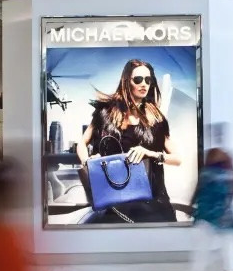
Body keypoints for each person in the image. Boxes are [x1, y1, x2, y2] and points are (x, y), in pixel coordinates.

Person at [76, 58, 181, 224]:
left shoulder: (156, 119)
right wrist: (88, 162)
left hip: (154, 204)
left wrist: (150, 153)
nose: (144, 84)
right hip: (114, 204)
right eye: (138, 79)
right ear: (126, 81)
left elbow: (177, 158)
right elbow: (82, 143)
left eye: (148, 80)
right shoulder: (105, 113)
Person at [186, 148, 233, 271]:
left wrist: (192, 205)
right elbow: (230, 195)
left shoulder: (213, 174)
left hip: (216, 218)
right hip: (216, 218)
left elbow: (198, 192)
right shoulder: (213, 174)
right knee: (224, 255)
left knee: (222, 255)